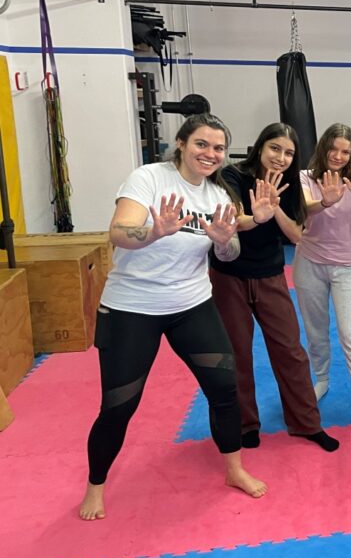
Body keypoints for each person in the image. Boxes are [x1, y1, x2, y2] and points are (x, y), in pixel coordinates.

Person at [80, 114, 265, 521]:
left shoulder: (217, 195)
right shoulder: (148, 178)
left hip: (191, 305)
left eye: (218, 148)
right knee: (119, 405)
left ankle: (234, 468)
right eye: (201, 144)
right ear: (181, 143)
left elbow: (230, 250)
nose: (210, 154)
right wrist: (154, 232)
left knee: (224, 388)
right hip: (132, 308)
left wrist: (224, 242)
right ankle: (95, 486)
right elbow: (118, 231)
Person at [210, 123, 340, 451]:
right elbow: (233, 220)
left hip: (269, 274)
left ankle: (306, 423)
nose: (281, 157)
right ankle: (244, 424)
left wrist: (275, 205)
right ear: (260, 147)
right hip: (229, 275)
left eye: (289, 153)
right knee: (236, 352)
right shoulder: (233, 176)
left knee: (290, 350)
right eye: (275, 148)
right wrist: (258, 216)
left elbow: (297, 235)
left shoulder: (291, 183)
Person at [293, 123, 351, 435]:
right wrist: (325, 201)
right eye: (334, 149)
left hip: (348, 266)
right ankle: (321, 378)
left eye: (345, 151)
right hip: (309, 263)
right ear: (324, 147)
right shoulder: (305, 177)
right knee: (315, 330)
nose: (339, 156)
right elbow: (304, 209)